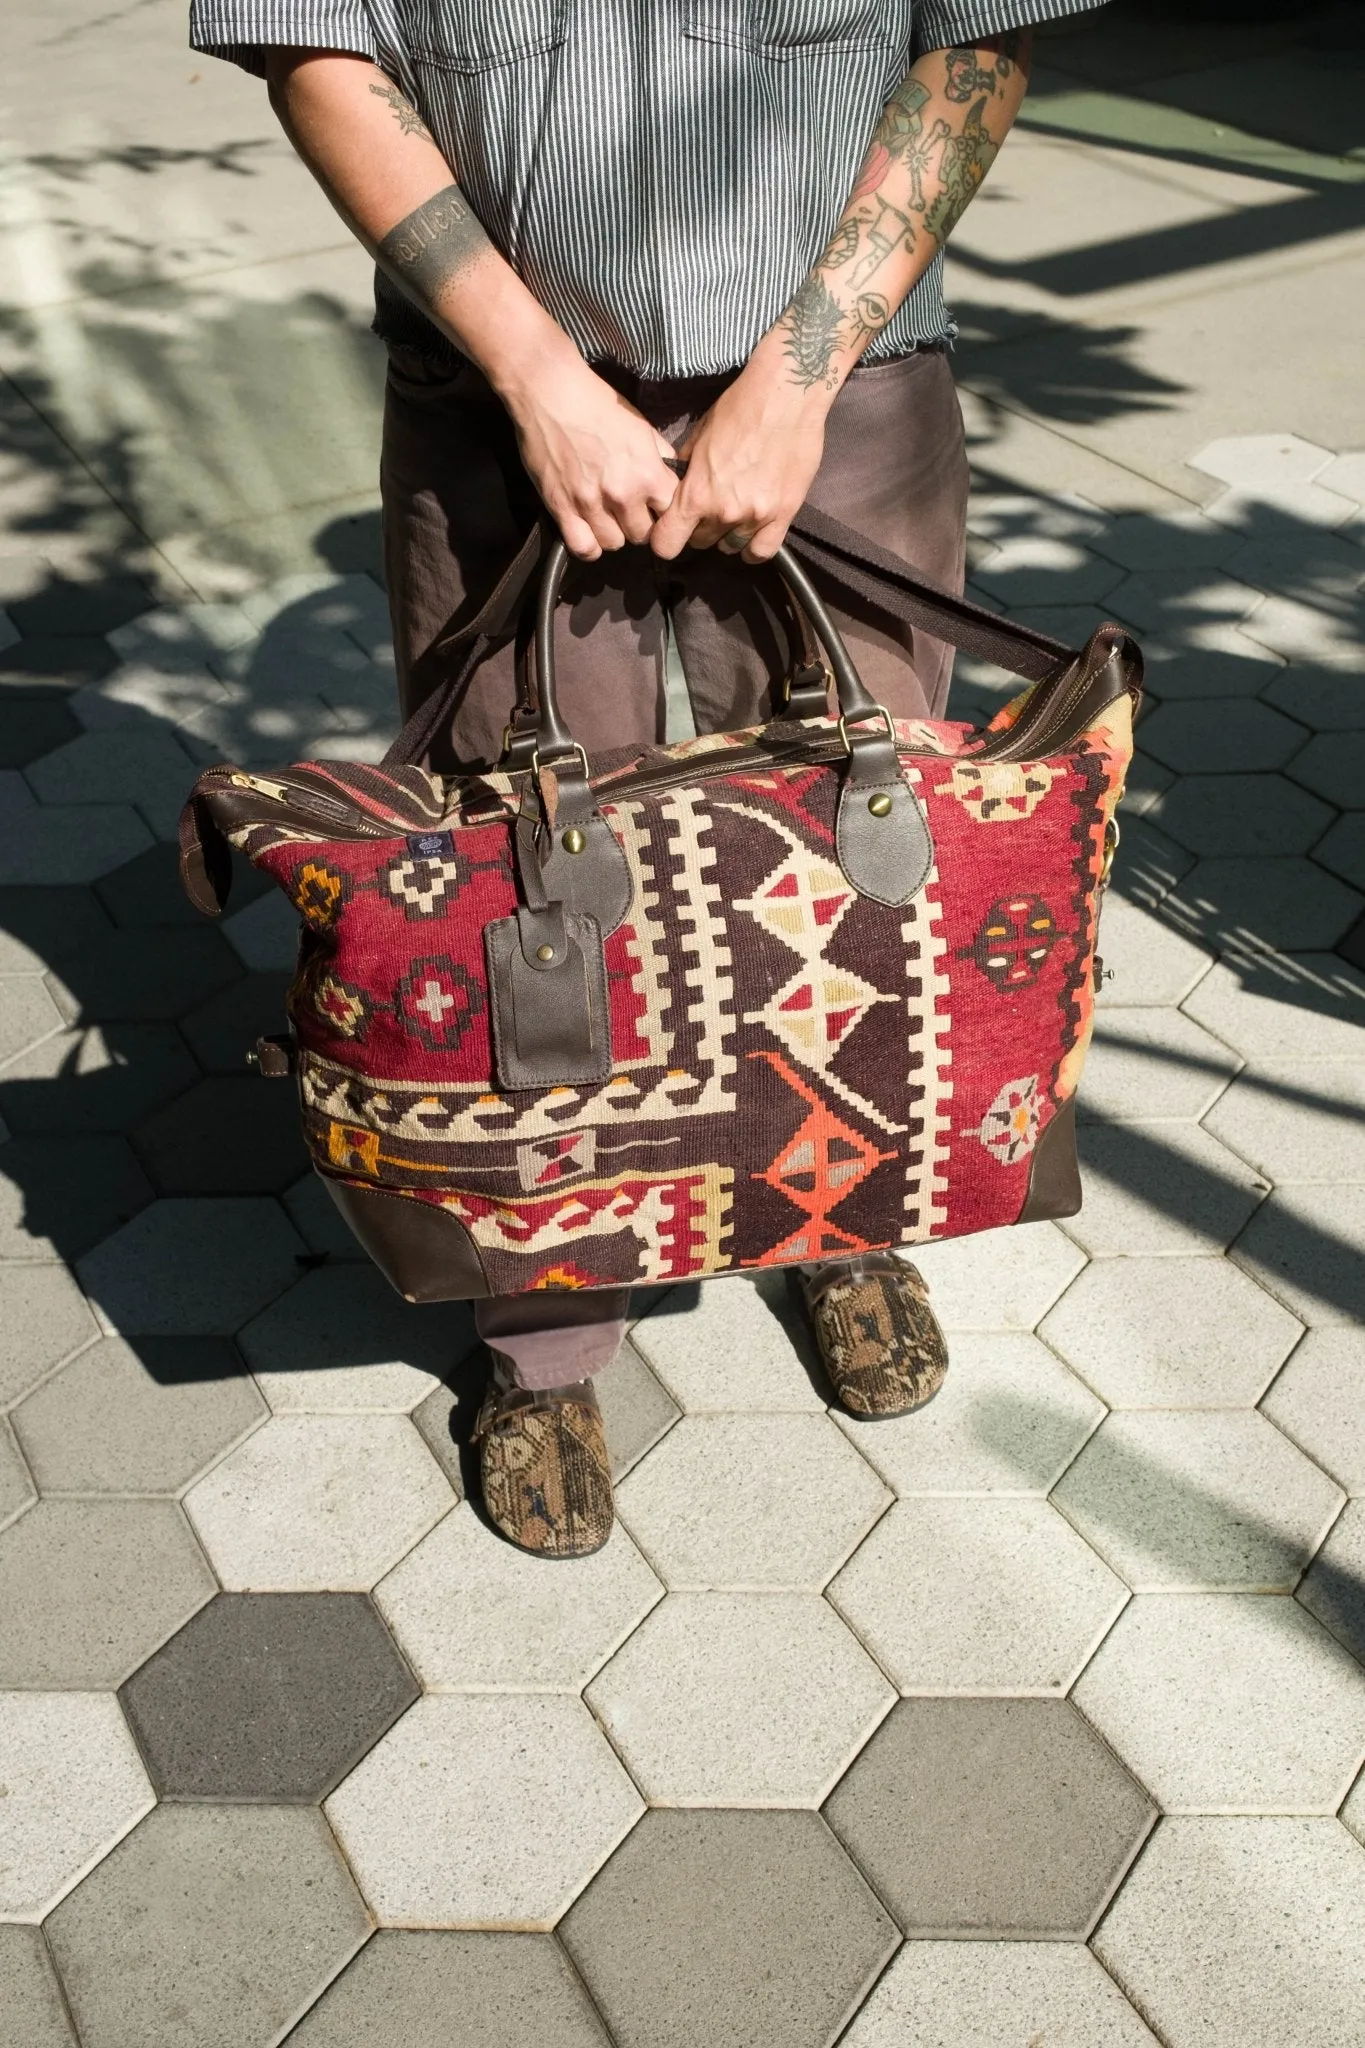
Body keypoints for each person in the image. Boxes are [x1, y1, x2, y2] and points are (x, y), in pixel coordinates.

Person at [191, 0, 1102, 1558]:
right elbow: (315, 45)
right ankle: (546, 1325)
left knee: (857, 860)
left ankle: (853, 1223)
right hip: (496, 395)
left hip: (851, 376)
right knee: (522, 881)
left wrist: (800, 379)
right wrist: (544, 385)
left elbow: (977, 35)